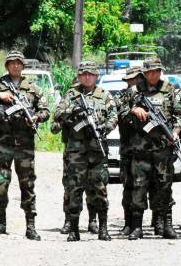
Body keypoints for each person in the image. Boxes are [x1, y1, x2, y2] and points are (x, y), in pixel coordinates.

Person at [0, 50, 50, 240]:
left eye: (19, 63)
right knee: (1, 184)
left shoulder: (32, 88)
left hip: (25, 145)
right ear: (7, 65)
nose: (16, 66)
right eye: (12, 63)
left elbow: (45, 110)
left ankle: (30, 226)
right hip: (3, 144)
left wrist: (36, 118)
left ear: (23, 65)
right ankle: (1, 223)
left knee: (27, 185)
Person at [53, 61, 118, 241]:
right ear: (79, 76)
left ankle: (103, 229)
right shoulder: (71, 94)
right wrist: (75, 111)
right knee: (74, 189)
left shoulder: (104, 95)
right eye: (84, 74)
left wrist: (105, 127)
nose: (87, 77)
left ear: (96, 76)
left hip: (97, 151)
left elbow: (114, 116)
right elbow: (58, 114)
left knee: (100, 189)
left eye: (91, 74)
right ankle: (74, 229)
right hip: (76, 151)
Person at [121, 56, 181, 240]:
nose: (153, 75)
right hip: (140, 150)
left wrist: (176, 132)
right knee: (138, 188)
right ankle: (136, 227)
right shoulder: (133, 91)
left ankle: (166, 226)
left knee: (164, 187)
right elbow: (120, 112)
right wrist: (133, 110)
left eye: (156, 71)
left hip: (163, 149)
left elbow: (179, 114)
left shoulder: (170, 90)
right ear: (144, 73)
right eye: (149, 72)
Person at [114, 66, 144, 235]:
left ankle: (155, 222)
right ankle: (128, 223)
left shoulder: (146, 94)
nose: (133, 82)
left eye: (137, 78)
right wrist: (132, 109)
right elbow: (119, 112)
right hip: (128, 147)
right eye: (130, 79)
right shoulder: (121, 96)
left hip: (147, 148)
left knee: (149, 187)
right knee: (128, 185)